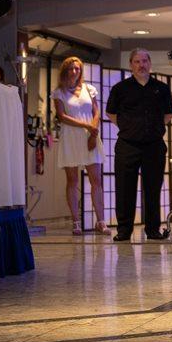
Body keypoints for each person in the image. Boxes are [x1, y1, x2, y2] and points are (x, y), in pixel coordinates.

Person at [105, 48, 172, 242]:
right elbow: (111, 113)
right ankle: (124, 230)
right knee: (124, 188)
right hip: (127, 145)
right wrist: (128, 127)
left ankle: (153, 230)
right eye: (137, 61)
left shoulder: (161, 88)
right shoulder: (120, 88)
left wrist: (154, 127)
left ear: (150, 63)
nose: (141, 65)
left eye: (144, 61)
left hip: (154, 145)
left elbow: (169, 113)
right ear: (131, 65)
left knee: (153, 188)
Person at [52, 56, 110, 237]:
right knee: (72, 180)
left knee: (96, 180)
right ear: (65, 71)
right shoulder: (59, 92)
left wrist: (93, 132)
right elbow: (62, 116)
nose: (74, 71)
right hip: (70, 137)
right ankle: (76, 222)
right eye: (71, 68)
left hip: (89, 135)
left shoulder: (89, 89)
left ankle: (101, 221)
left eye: (77, 68)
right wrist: (86, 126)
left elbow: (96, 111)